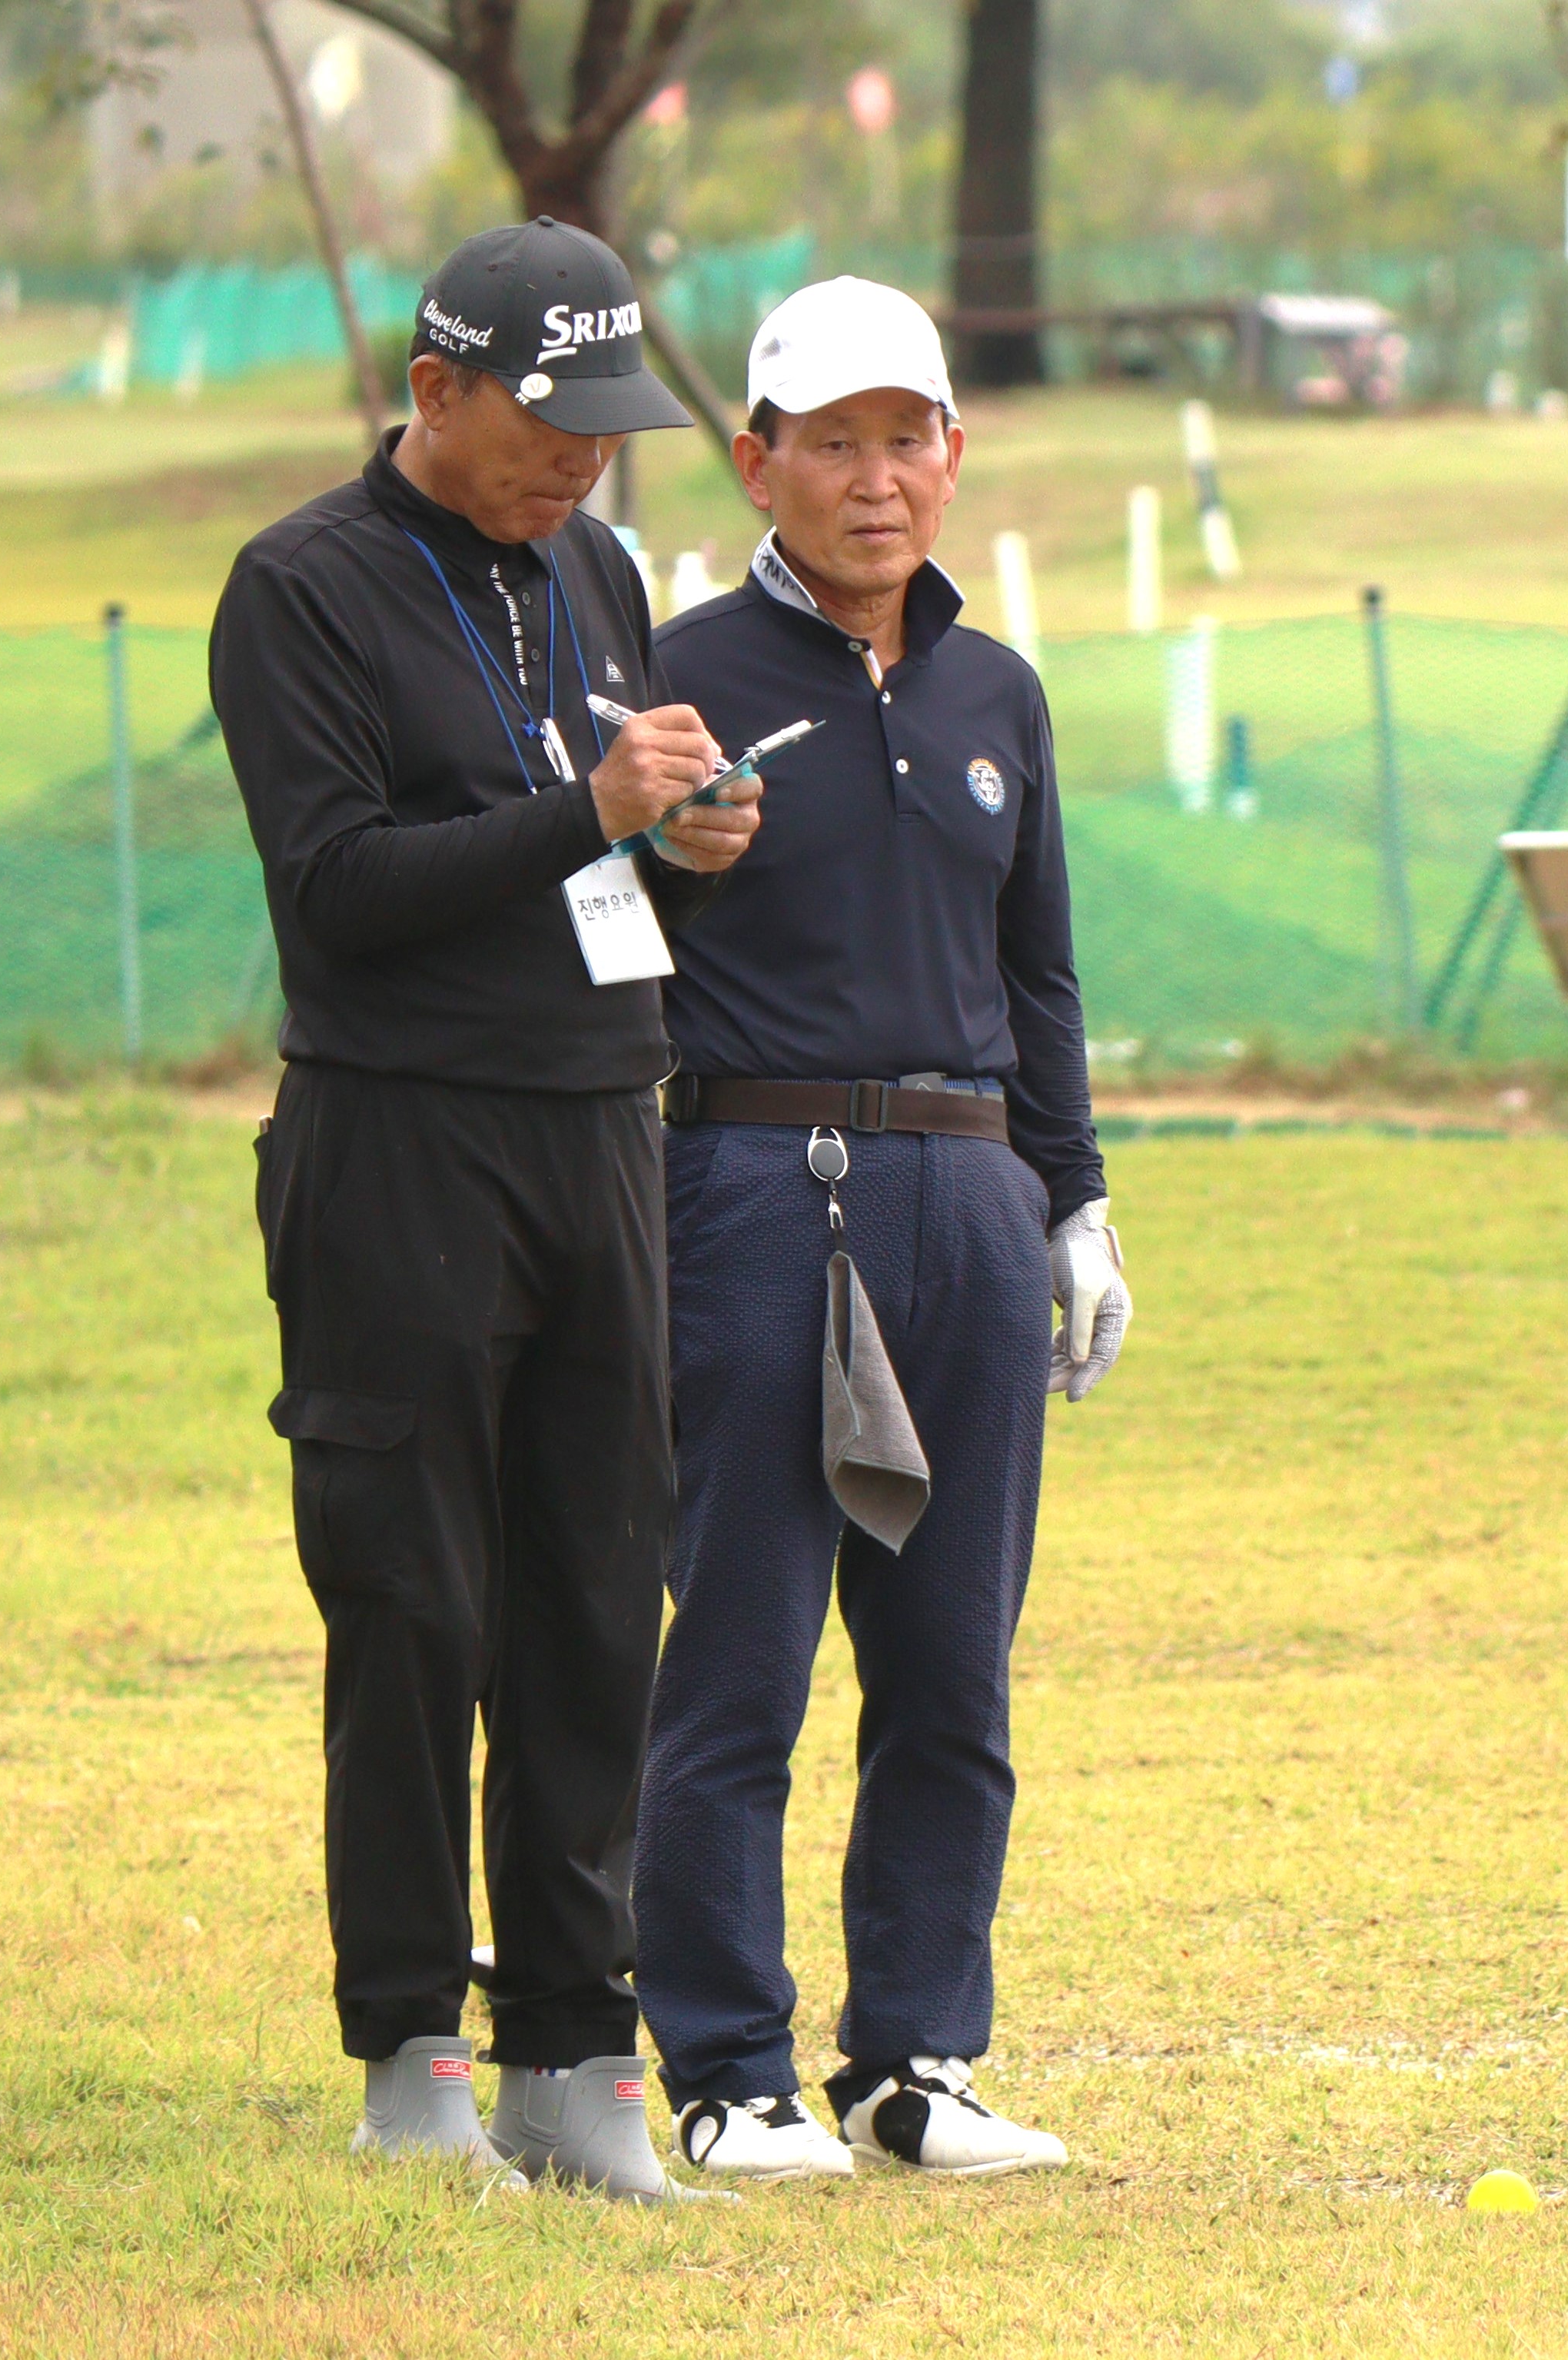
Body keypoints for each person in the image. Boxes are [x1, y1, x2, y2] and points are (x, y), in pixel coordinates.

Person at [213, 218, 756, 2202]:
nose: (582, 464)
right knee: (415, 1600)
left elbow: (593, 857)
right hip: (401, 1144)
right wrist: (593, 811)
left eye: (609, 428)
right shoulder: (300, 589)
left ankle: (573, 2054)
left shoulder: (595, 572)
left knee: (600, 1597)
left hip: (601, 1129)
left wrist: (688, 844)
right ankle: (409, 2056)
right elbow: (339, 889)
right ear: (433, 390)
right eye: (549, 423)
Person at [630, 277, 1124, 2182]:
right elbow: (593, 942)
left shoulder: (1002, 689)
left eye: (903, 435)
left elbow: (1042, 970)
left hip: (974, 1200)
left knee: (952, 1664)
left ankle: (917, 2059)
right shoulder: (675, 678)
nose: (872, 477)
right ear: (755, 458)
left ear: (952, 450)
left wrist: (1074, 1198)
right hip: (756, 1193)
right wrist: (643, 845)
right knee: (742, 1649)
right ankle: (727, 2062)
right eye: (828, 440)